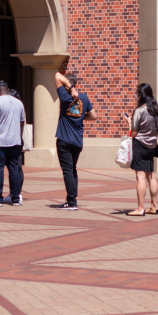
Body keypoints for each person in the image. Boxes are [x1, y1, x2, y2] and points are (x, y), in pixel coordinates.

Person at [54, 71, 97, 211]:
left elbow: (57, 75)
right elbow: (93, 116)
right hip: (78, 141)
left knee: (67, 171)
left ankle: (71, 201)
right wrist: (78, 117)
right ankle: (71, 198)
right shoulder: (83, 98)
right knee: (72, 169)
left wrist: (70, 88)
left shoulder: (65, 97)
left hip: (65, 140)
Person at [0, 80, 25, 206]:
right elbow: (22, 122)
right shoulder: (19, 103)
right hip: (15, 141)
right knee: (13, 169)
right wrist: (18, 136)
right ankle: (15, 198)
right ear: (7, 89)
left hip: (0, 142)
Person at [126, 83, 158, 216]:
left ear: (141, 95)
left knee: (140, 177)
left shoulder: (140, 110)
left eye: (137, 93)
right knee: (151, 176)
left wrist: (129, 123)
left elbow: (134, 133)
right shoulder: (156, 110)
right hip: (152, 146)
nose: (136, 95)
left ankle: (140, 208)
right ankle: (153, 206)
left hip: (140, 145)